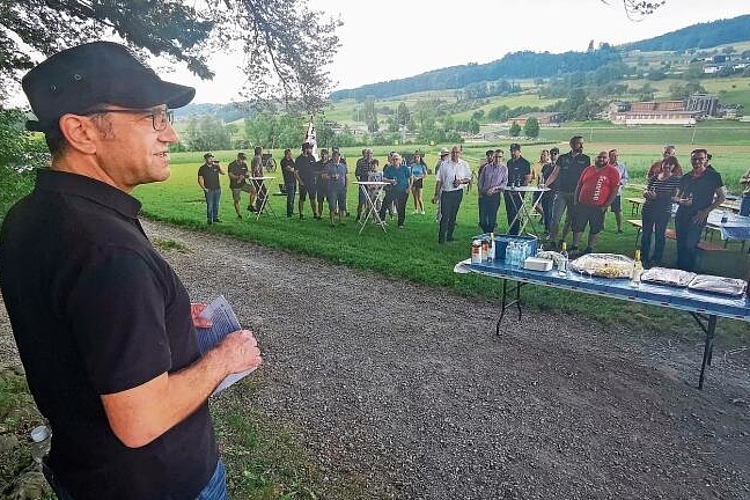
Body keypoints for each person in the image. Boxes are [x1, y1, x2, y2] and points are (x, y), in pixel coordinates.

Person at [0, 41, 262, 500]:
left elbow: (74, 323)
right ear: (82, 132)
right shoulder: (106, 249)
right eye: (151, 117)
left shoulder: (34, 214)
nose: (170, 135)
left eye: (167, 117)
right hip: (160, 485)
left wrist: (162, 315)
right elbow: (140, 422)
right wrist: (225, 360)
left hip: (87, 473)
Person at [673, 148, 725, 272]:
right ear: (691, 160)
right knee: (680, 244)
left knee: (690, 245)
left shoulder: (713, 176)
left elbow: (721, 197)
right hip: (681, 215)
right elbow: (676, 196)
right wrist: (680, 201)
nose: (697, 161)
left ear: (705, 160)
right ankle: (679, 271)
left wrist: (705, 211)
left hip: (698, 216)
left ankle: (689, 272)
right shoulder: (686, 177)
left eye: (700, 159)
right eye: (694, 159)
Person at [570, 151, 620, 254]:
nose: (601, 159)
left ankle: (589, 248)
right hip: (582, 204)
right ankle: (575, 246)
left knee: (595, 228)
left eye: (604, 158)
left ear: (608, 159)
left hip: (598, 206)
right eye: (599, 157)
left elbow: (615, 190)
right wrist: (575, 201)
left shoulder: (613, 171)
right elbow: (579, 185)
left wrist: (606, 205)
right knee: (578, 226)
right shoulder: (588, 169)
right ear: (595, 158)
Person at [545, 135, 591, 248]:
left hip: (576, 194)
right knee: (555, 218)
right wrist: (545, 184)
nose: (582, 146)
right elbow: (555, 173)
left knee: (570, 220)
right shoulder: (563, 158)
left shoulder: (585, 159)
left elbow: (587, 177)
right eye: (579, 143)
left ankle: (563, 239)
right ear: (572, 144)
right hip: (561, 192)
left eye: (582, 143)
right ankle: (552, 240)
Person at [640, 156, 682, 266]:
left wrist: (657, 196)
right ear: (662, 164)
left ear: (674, 166)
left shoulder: (676, 180)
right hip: (648, 209)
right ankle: (643, 258)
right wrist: (646, 193)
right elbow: (647, 190)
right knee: (646, 234)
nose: (667, 166)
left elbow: (675, 198)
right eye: (666, 163)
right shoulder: (654, 178)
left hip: (663, 211)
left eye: (671, 164)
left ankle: (656, 259)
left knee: (659, 234)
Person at [432, 145, 472, 243]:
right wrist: (436, 194)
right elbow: (439, 180)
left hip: (458, 193)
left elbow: (469, 178)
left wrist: (461, 181)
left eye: (457, 152)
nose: (455, 154)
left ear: (460, 153)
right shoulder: (444, 164)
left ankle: (449, 236)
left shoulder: (464, 164)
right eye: (453, 152)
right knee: (445, 216)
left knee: (453, 215)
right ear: (451, 153)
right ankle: (441, 239)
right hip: (446, 193)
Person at [477, 149, 508, 234]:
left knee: (491, 219)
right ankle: (486, 234)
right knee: (482, 219)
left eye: (500, 157)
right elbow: (480, 180)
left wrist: (494, 188)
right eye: (496, 157)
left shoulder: (504, 169)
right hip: (484, 196)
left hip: (495, 196)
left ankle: (489, 237)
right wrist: (481, 191)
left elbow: (504, 183)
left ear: (502, 158)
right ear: (493, 157)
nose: (498, 159)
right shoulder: (487, 167)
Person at [504, 143, 531, 235]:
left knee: (515, 212)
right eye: (511, 151)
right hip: (508, 191)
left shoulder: (525, 163)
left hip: (518, 192)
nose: (513, 153)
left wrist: (520, 190)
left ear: (519, 151)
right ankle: (511, 229)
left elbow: (527, 178)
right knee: (509, 211)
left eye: (515, 151)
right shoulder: (509, 162)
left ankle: (515, 232)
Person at [379, 152, 411, 229]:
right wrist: (390, 181)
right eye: (393, 159)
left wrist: (409, 188)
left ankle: (400, 223)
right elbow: (383, 178)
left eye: (397, 159)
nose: (395, 161)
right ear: (391, 160)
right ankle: (381, 220)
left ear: (400, 160)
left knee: (401, 207)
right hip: (392, 190)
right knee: (385, 203)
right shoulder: (389, 168)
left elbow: (409, 178)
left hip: (403, 190)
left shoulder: (404, 168)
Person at [197, 152, 224, 224]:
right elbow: (200, 179)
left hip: (217, 189)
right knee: (210, 205)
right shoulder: (202, 168)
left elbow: (223, 173)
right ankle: (209, 220)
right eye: (209, 158)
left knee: (216, 204)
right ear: (206, 159)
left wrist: (219, 166)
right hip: (209, 190)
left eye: (212, 157)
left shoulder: (216, 166)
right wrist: (204, 188)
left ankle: (215, 218)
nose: (211, 159)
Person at [608, 148, 630, 234]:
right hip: (605, 191)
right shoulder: (606, 165)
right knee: (602, 209)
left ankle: (620, 228)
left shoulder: (621, 166)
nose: (616, 157)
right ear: (609, 157)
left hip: (616, 192)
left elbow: (625, 178)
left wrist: (620, 183)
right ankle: (600, 226)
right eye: (613, 155)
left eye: (617, 155)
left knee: (617, 211)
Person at [324, 150, 348, 227]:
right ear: (333, 157)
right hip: (332, 189)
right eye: (335, 156)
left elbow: (346, 177)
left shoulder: (343, 166)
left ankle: (342, 221)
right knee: (332, 206)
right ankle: (332, 222)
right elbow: (323, 176)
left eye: (338, 156)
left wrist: (346, 187)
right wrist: (331, 177)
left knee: (342, 205)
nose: (337, 158)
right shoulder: (328, 166)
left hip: (342, 189)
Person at [295, 142, 318, 219]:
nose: (311, 150)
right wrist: (300, 181)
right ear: (305, 149)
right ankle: (301, 214)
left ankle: (315, 213)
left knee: (313, 198)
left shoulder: (312, 157)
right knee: (302, 199)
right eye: (309, 148)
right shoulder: (299, 159)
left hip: (312, 182)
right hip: (303, 183)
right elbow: (296, 172)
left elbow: (315, 169)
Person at [539, 147, 559, 235]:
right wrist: (541, 183)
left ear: (558, 155)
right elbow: (543, 177)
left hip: (554, 191)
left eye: (555, 154)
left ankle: (550, 229)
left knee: (550, 211)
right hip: (545, 191)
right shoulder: (546, 166)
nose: (553, 155)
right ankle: (547, 228)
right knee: (546, 210)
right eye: (551, 154)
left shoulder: (558, 167)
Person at [227, 151, 252, 219]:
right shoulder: (231, 165)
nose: (242, 160)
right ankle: (239, 215)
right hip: (235, 185)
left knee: (254, 190)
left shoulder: (244, 164)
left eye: (243, 159)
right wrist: (238, 177)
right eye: (241, 159)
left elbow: (247, 173)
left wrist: (245, 175)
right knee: (237, 200)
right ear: (237, 157)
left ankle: (250, 205)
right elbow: (230, 175)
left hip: (243, 184)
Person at [355, 148, 375, 221]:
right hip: (363, 184)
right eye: (368, 153)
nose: (369, 155)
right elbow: (357, 173)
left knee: (370, 201)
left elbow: (376, 173)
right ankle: (358, 215)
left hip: (371, 185)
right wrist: (360, 182)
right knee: (361, 201)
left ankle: (367, 215)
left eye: (371, 153)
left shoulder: (374, 162)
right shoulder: (360, 162)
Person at [434, 147, 450, 222]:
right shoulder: (440, 163)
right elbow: (438, 177)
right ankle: (439, 218)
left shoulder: (449, 163)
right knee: (440, 203)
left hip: (448, 186)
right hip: (441, 185)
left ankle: (447, 218)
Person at [280, 148, 297, 217]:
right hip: (288, 181)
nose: (291, 155)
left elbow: (295, 168)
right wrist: (294, 169)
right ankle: (289, 213)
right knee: (290, 197)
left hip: (294, 180)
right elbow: (290, 169)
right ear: (287, 154)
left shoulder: (291, 161)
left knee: (293, 197)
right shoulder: (283, 161)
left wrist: (294, 169)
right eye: (290, 154)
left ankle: (291, 211)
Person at [250, 145, 267, 213]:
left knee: (260, 193)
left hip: (256, 178)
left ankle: (258, 208)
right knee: (264, 194)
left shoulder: (255, 157)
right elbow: (256, 167)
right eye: (262, 151)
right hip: (258, 179)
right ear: (259, 151)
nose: (262, 152)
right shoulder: (258, 158)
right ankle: (259, 209)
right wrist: (257, 174)